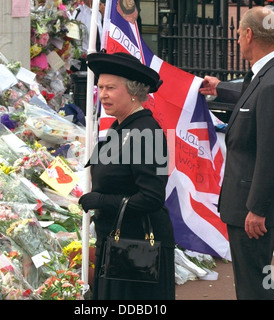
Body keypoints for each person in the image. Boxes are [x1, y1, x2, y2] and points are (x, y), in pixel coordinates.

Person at [199, 6, 274, 300]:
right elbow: (249, 95)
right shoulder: (269, 74)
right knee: (254, 282)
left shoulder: (273, 84)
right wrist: (220, 88)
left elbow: (273, 154)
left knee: (254, 285)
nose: (238, 40)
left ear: (248, 34)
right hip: (247, 204)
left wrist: (257, 208)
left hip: (251, 210)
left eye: (239, 34)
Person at [78, 51, 175, 300]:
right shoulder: (120, 127)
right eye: (100, 87)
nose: (103, 94)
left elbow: (152, 198)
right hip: (115, 242)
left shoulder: (147, 132)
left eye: (111, 87)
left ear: (133, 91)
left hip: (136, 248)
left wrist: (100, 201)